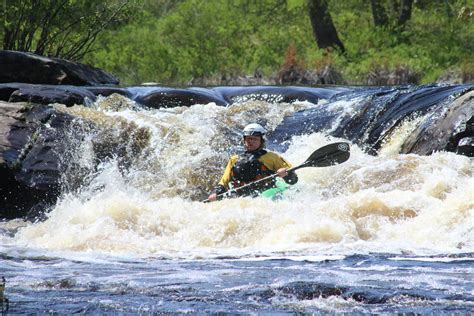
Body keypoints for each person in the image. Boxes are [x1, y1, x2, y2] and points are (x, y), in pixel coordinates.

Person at [208, 123, 298, 201]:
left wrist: (286, 174)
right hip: (242, 196)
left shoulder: (272, 157)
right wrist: (216, 192)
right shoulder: (234, 159)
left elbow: (293, 180)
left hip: (267, 193)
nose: (251, 142)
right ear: (244, 140)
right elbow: (224, 182)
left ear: (261, 140)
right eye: (248, 139)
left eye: (255, 139)